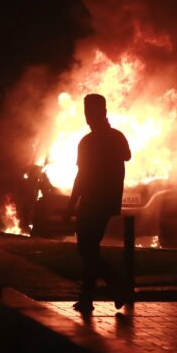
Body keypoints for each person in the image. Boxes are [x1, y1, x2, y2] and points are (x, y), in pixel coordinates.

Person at [66, 93, 132, 314]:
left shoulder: (89, 142)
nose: (87, 117)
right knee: (90, 248)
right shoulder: (116, 137)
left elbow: (81, 176)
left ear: (101, 112)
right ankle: (87, 297)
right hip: (107, 202)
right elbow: (127, 155)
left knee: (87, 249)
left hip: (93, 202)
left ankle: (116, 283)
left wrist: (71, 204)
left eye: (90, 112)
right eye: (86, 112)